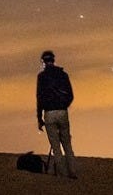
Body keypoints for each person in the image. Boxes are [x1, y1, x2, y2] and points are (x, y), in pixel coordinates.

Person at [36, 50, 78, 179]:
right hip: (62, 112)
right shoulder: (63, 75)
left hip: (49, 113)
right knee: (67, 144)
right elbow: (70, 95)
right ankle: (72, 172)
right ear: (53, 60)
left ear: (43, 61)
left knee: (56, 146)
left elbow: (39, 98)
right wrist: (63, 105)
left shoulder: (42, 77)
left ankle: (62, 174)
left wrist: (39, 118)